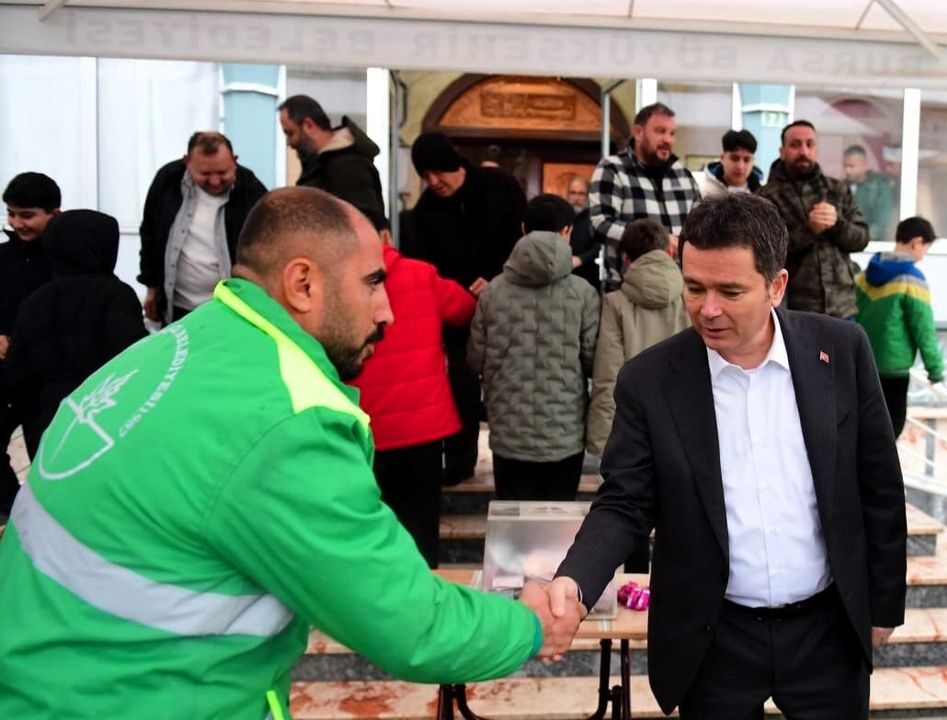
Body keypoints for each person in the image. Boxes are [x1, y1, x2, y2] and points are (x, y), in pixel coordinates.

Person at [0, 187, 576, 719]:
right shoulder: (284, 420)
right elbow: (410, 624)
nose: (387, 310)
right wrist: (527, 625)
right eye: (373, 282)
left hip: (59, 684)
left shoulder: (187, 343)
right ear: (303, 284)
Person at [538, 193, 907, 719]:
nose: (707, 309)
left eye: (730, 291)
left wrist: (883, 602)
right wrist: (574, 582)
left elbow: (879, 485)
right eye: (694, 287)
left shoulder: (841, 350)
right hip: (713, 639)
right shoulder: (650, 380)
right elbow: (624, 503)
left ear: (776, 286)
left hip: (828, 631)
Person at [348, 218, 476, 568]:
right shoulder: (421, 274)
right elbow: (464, 309)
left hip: (364, 426)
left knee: (369, 526)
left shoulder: (337, 282)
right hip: (422, 427)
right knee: (420, 526)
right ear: (387, 236)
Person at [406, 130, 526, 483]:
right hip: (457, 314)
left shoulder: (499, 187)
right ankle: (460, 462)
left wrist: (498, 278)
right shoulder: (426, 210)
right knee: (459, 386)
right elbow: (426, 266)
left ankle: (515, 463)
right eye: (425, 175)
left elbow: (523, 242)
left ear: (452, 163)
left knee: (513, 385)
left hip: (507, 307)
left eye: (437, 171)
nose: (433, 181)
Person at [467, 194, 599, 501]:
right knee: (559, 519)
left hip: (508, 434)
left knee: (513, 519)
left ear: (523, 229)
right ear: (567, 232)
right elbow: (593, 360)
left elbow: (475, 359)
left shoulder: (493, 291)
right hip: (564, 434)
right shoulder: (583, 293)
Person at [5, 210, 146, 454]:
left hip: (45, 430)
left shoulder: (34, 302)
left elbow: (17, 377)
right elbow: (132, 361)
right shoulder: (115, 296)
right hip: (102, 422)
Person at [139, 131, 269, 325]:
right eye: (205, 174)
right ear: (187, 162)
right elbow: (149, 233)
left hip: (230, 308)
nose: (215, 181)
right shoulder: (167, 180)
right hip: (177, 307)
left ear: (234, 161)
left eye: (222, 173)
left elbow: (265, 250)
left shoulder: (252, 190)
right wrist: (151, 288)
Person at [586, 218, 690, 457]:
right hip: (685, 423)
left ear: (626, 259)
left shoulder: (615, 303)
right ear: (670, 251)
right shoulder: (691, 297)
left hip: (632, 428)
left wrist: (602, 442)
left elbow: (608, 376)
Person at [760, 121, 869, 319]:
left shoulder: (837, 189)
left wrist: (837, 224)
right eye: (795, 145)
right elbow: (765, 254)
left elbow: (861, 239)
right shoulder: (766, 197)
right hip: (795, 309)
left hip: (843, 306)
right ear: (782, 151)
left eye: (809, 144)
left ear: (816, 150)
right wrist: (809, 230)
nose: (804, 151)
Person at [589, 103, 701, 291]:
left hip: (678, 289)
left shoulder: (682, 174)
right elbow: (600, 224)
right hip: (628, 290)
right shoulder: (613, 169)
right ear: (638, 132)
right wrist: (658, 241)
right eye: (660, 131)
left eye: (672, 133)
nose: (667, 140)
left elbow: (700, 226)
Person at [0, 172, 59, 519]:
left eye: (27, 215)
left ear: (54, 213)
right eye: (11, 214)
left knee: (48, 456)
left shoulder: (64, 260)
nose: (16, 223)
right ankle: (12, 509)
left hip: (44, 379)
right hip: (6, 373)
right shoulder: (4, 257)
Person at [854, 216, 944, 437]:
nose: (924, 254)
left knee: (865, 430)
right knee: (890, 430)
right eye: (926, 248)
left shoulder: (864, 276)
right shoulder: (913, 279)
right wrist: (935, 370)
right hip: (894, 369)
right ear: (916, 242)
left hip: (864, 364)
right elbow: (923, 328)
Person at [277, 94, 386, 226]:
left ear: (309, 125)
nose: (289, 142)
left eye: (290, 133)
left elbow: (363, 222)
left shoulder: (347, 166)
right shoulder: (323, 163)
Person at [843, 145, 894, 244]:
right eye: (845, 166)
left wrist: (860, 238)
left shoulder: (879, 186)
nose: (847, 171)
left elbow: (881, 223)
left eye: (851, 166)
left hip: (873, 244)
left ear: (865, 165)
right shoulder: (843, 186)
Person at [565, 175, 602, 293]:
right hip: (564, 279)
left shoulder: (595, 218)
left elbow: (600, 243)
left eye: (581, 194)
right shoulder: (560, 216)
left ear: (587, 196)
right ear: (567, 194)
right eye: (573, 193)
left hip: (589, 279)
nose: (576, 198)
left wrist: (581, 259)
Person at [702, 129, 762, 197]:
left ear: (753, 161)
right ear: (722, 158)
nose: (740, 166)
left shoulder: (763, 194)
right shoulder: (702, 191)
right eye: (734, 158)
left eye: (747, 160)